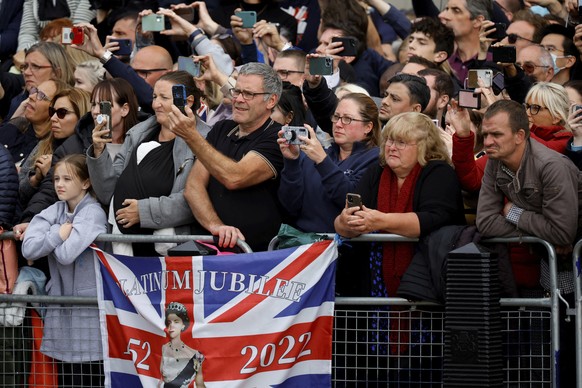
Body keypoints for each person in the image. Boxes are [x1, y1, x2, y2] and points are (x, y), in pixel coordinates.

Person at [475, 99, 581, 387]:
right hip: (550, 265)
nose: (489, 141)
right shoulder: (494, 164)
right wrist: (537, 235)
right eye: (485, 134)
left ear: (520, 136)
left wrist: (515, 212)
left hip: (575, 269)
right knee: (546, 347)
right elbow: (484, 223)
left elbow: (562, 233)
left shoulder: (552, 166)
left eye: (497, 135)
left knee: (572, 346)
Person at [87, 71, 208, 256]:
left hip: (174, 251)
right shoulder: (137, 134)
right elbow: (107, 193)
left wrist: (144, 211)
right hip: (129, 249)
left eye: (164, 98)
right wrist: (98, 151)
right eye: (154, 97)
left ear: (188, 101)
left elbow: (198, 201)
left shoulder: (206, 139)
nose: (155, 104)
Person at [171, 62, 284, 251]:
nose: (238, 99)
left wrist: (191, 136)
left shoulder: (278, 137)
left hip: (258, 257)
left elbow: (235, 177)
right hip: (212, 250)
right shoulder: (222, 128)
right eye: (236, 91)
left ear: (271, 101)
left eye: (248, 94)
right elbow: (193, 187)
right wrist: (217, 226)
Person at [21, 154, 107, 387]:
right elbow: (28, 248)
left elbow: (66, 256)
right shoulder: (56, 210)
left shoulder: (92, 212)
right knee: (67, 378)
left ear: (86, 183)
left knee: (88, 377)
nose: (59, 184)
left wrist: (49, 241)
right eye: (57, 178)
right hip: (63, 310)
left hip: (88, 314)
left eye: (67, 179)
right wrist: (58, 233)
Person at [278, 93, 380, 232]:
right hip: (303, 243)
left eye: (347, 119)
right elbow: (289, 206)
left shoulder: (375, 158)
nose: (338, 124)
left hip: (343, 245)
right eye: (336, 117)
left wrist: (322, 161)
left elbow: (352, 203)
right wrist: (292, 162)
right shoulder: (316, 154)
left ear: (368, 127)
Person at [159, 302, 205, 388]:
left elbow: (200, 385)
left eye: (176, 322)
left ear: (183, 325)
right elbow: (160, 381)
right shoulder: (164, 349)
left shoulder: (196, 356)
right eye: (169, 322)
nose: (171, 326)